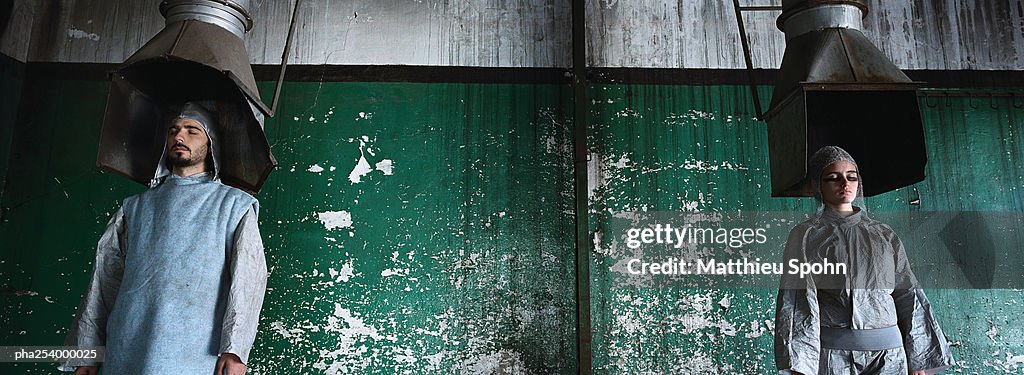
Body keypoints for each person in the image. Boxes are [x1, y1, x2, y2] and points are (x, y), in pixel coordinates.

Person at [60, 102, 268, 375]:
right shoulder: (134, 207)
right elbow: (104, 282)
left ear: (211, 143)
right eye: (173, 130)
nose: (179, 137)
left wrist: (235, 350)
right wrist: (87, 354)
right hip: (128, 345)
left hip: (194, 351)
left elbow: (247, 280)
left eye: (192, 130)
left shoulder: (234, 206)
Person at [774, 146, 954, 375]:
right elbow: (797, 299)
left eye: (851, 177)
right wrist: (799, 363)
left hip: (889, 356)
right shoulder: (806, 235)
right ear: (818, 185)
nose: (844, 183)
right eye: (833, 178)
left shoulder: (883, 234)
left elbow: (908, 293)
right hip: (834, 356)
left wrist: (918, 358)